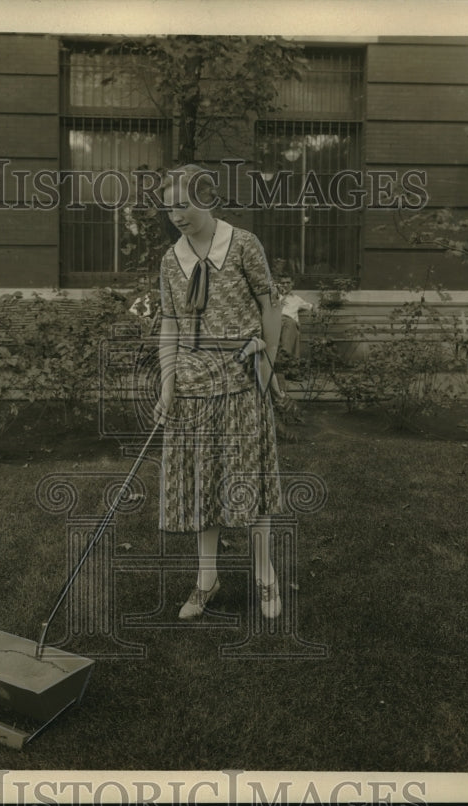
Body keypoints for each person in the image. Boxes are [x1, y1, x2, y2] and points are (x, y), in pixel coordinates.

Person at [153, 164, 284, 620]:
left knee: (252, 483)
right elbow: (170, 323)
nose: (176, 215)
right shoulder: (171, 261)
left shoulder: (244, 245)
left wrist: (266, 361)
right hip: (192, 386)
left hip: (241, 380)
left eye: (184, 205)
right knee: (201, 487)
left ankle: (266, 576)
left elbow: (270, 304)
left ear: (207, 200)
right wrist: (167, 385)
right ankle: (206, 578)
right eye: (170, 207)